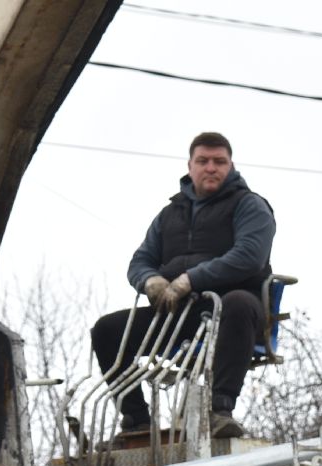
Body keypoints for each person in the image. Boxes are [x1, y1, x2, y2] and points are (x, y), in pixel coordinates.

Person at [90, 131, 275, 440]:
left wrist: (191, 279)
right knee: (107, 330)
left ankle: (220, 410)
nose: (211, 168)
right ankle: (135, 420)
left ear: (231, 166)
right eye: (203, 161)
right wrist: (151, 281)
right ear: (190, 166)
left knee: (239, 303)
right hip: (178, 314)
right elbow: (140, 260)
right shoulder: (169, 215)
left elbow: (248, 257)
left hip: (230, 312)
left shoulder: (250, 205)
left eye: (219, 161)